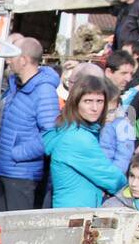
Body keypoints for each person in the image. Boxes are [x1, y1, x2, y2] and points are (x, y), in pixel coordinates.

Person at [0, 37, 59, 211]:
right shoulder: (15, 87)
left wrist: (17, 153)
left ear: (24, 60)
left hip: (22, 175)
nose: (8, 60)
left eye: (12, 56)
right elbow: (5, 128)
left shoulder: (44, 91)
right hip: (3, 169)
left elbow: (51, 135)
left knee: (13, 229)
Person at [43, 75, 127, 209]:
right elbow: (112, 179)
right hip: (75, 214)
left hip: (73, 210)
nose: (95, 108)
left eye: (100, 101)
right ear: (76, 102)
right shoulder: (79, 138)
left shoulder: (71, 128)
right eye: (88, 101)